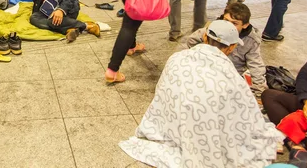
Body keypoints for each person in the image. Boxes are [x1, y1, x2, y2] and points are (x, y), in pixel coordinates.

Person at [120, 20, 281, 167]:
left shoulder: (177, 58)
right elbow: (244, 113)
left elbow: (161, 93)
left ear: (205, 37)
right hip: (206, 133)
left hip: (170, 125)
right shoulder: (230, 76)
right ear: (232, 47)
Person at [187, 2, 267, 97]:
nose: (228, 26)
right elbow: (192, 40)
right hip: (206, 69)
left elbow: (256, 65)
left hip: (230, 76)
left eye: (234, 23)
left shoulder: (251, 41)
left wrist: (260, 91)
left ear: (245, 25)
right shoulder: (213, 28)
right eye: (226, 21)